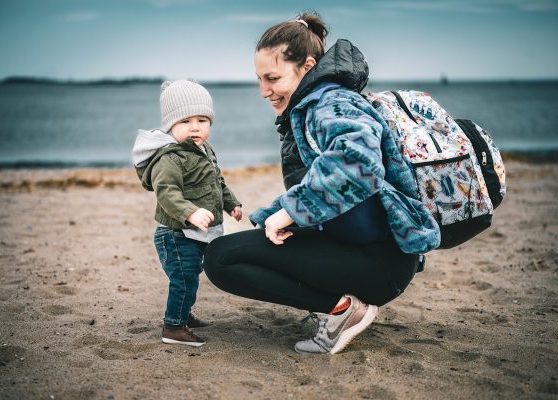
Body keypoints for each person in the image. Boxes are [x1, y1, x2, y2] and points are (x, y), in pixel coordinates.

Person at [203, 13, 440, 354]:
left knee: (222, 261)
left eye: (272, 78)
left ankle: (342, 311)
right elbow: (324, 183)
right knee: (225, 253)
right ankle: (335, 305)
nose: (263, 91)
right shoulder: (313, 105)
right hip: (363, 250)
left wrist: (289, 212)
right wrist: (270, 215)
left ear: (307, 66)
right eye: (259, 79)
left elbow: (359, 165)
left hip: (380, 262)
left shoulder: (331, 103)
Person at [132, 80, 243, 347]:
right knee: (183, 279)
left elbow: (217, 181)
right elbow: (167, 192)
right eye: (185, 121)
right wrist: (190, 212)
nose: (195, 127)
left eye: (202, 120)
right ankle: (173, 328)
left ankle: (183, 315)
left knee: (190, 277)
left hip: (196, 233)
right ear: (170, 126)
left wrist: (231, 204)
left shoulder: (205, 149)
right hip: (176, 233)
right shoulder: (170, 157)